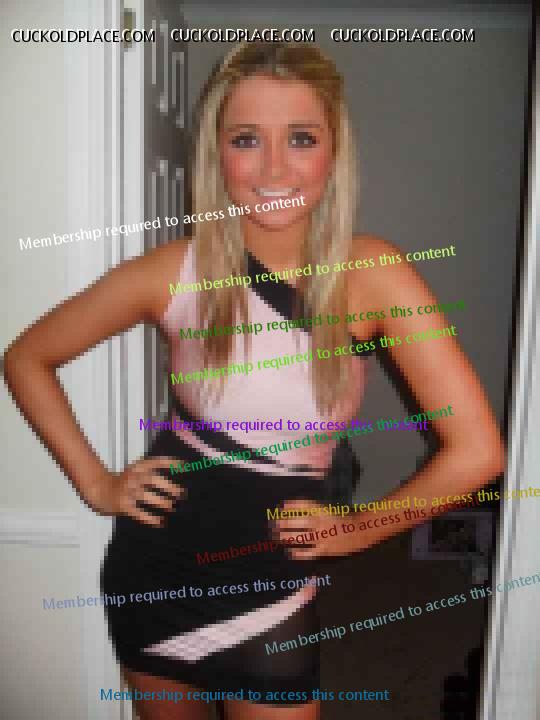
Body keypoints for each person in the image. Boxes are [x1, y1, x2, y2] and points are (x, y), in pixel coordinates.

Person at [3, 42, 505, 720]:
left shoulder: (374, 274)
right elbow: (27, 357)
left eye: (301, 138)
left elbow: (477, 452)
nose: (273, 167)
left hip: (272, 584)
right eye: (246, 139)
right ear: (218, 155)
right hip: (154, 569)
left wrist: (360, 529)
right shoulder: (171, 271)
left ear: (334, 152)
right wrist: (97, 484)